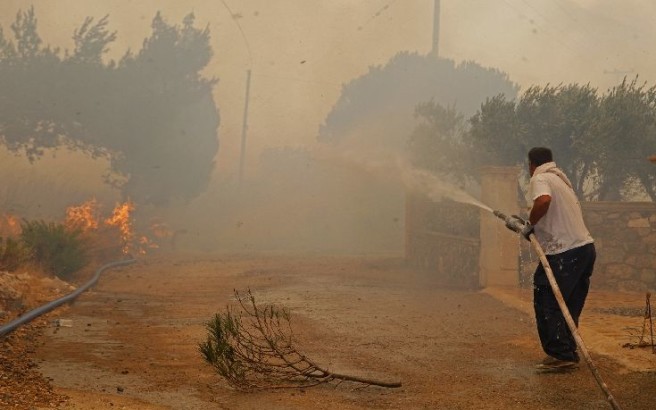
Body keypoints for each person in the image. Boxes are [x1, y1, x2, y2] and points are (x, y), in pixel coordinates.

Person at [516, 147, 596, 370]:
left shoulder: (540, 177)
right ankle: (567, 351)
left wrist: (529, 224)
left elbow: (542, 202)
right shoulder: (561, 179)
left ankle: (561, 354)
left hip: (564, 252)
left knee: (547, 299)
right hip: (585, 249)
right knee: (569, 303)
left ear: (531, 165)